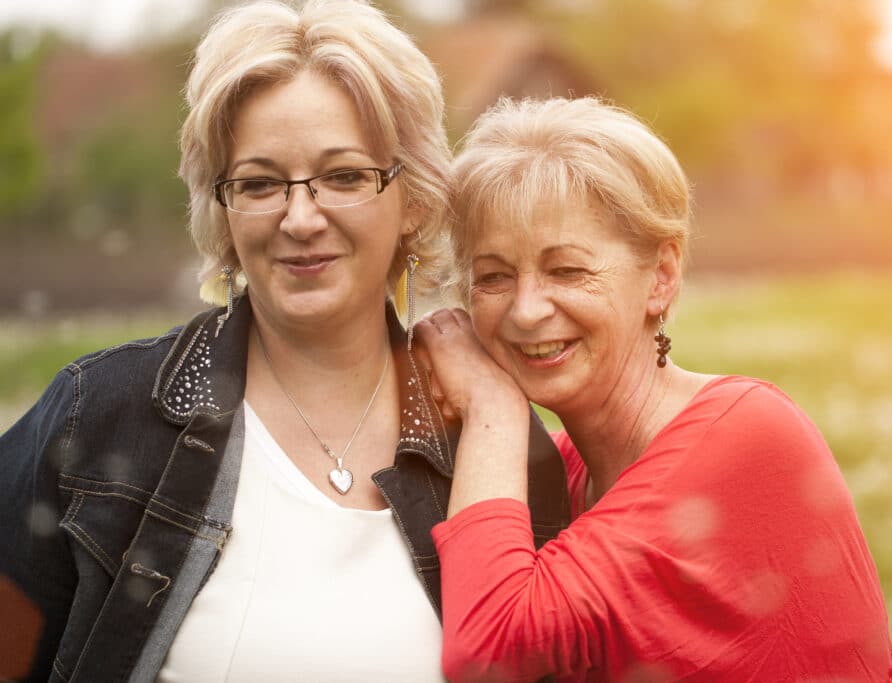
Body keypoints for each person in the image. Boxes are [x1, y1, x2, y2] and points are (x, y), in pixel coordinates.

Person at [0, 3, 569, 682]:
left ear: (412, 196)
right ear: (222, 205)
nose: (301, 218)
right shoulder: (96, 417)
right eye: (261, 183)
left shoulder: (498, 450)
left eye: (344, 176)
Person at [415, 97, 892, 683]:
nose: (526, 309)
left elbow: (487, 653)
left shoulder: (745, 436)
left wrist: (491, 406)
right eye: (493, 276)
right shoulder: (557, 471)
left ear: (661, 278)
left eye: (566, 270)